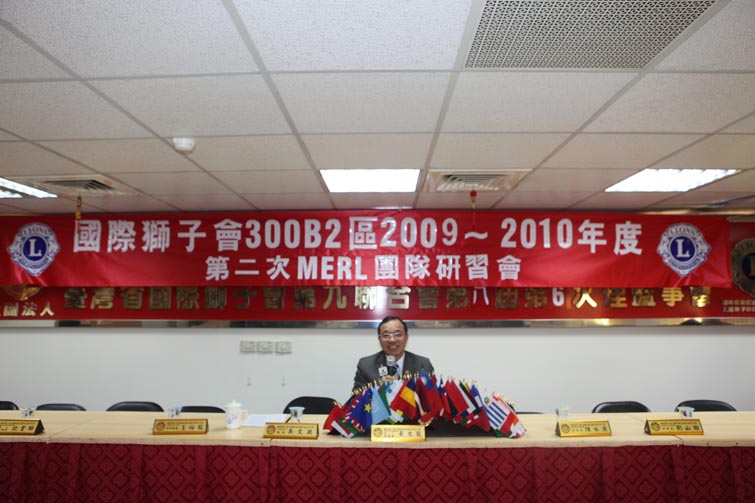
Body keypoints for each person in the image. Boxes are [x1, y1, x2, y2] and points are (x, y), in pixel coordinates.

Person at [352, 316, 434, 391]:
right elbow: (356, 399)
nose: (392, 340)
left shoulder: (423, 364)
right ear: (379, 339)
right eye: (386, 335)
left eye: (398, 334)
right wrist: (378, 390)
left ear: (406, 337)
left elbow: (432, 398)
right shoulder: (366, 365)